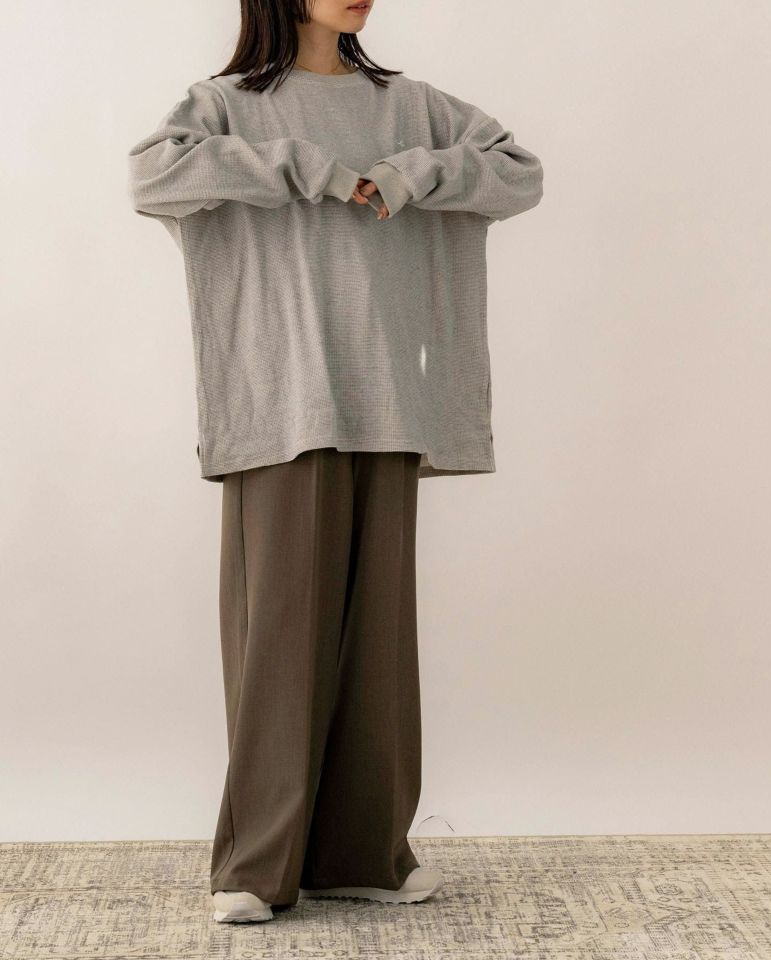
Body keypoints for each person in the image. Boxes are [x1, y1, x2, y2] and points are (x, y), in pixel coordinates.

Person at [127, 0, 543, 925]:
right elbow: (153, 173)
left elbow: (518, 173)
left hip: (390, 397)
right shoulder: (227, 103)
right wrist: (306, 168)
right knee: (280, 635)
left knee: (378, 644)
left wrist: (408, 174)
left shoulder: (412, 107)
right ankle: (258, 865)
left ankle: (363, 854)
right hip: (282, 398)